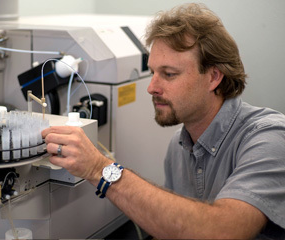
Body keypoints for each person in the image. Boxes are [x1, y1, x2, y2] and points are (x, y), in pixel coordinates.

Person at [42, 3, 285, 239]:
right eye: (153, 72)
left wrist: (99, 169)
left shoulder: (268, 138)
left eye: (169, 74)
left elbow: (224, 231)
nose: (151, 87)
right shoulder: (178, 146)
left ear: (213, 77)